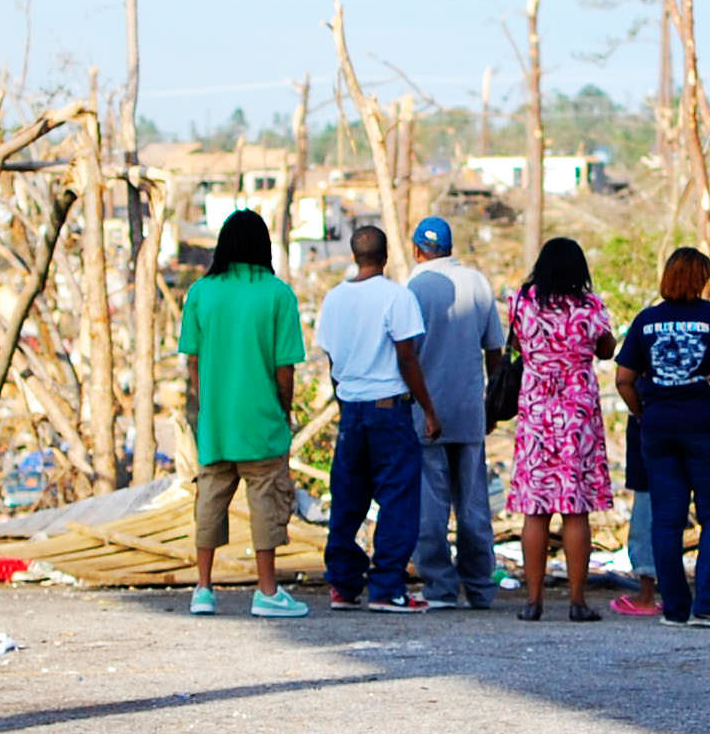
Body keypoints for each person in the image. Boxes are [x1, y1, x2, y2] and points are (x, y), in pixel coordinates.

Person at [615, 247, 710, 628]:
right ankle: (707, 605)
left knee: (666, 520)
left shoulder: (646, 321)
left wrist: (641, 411)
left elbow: (623, 378)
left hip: (659, 426)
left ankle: (674, 608)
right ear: (701, 279)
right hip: (705, 425)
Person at [178, 209, 309, 618]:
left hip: (216, 424)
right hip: (261, 421)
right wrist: (284, 408)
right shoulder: (278, 294)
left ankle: (203, 588)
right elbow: (284, 368)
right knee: (267, 504)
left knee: (209, 503)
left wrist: (206, 404)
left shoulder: (201, 293)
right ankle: (267, 592)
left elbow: (193, 363)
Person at [316, 225, 443, 613]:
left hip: (351, 408)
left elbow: (333, 360)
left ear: (354, 256)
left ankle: (343, 584)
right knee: (398, 497)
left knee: (348, 498)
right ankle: (387, 587)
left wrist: (346, 397)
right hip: (389, 407)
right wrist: (429, 409)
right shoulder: (396, 297)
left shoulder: (334, 299)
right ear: (386, 256)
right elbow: (407, 357)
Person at [506, 237, 616, 622]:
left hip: (536, 412)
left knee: (535, 511)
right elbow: (607, 349)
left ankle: (533, 601)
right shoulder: (589, 307)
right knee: (575, 510)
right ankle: (577, 601)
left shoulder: (522, 301)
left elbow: (519, 341)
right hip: (577, 415)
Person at [405, 216, 505, 610]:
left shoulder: (413, 288)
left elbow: (405, 354)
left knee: (430, 504)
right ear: (450, 247)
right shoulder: (477, 283)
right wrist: (492, 405)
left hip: (425, 409)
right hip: (469, 409)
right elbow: (495, 351)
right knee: (473, 503)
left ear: (417, 249)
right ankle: (480, 585)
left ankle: (439, 587)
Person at [609, 421, 659, 616]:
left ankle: (647, 594)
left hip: (651, 418)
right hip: (701, 416)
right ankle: (706, 598)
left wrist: (639, 414)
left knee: (647, 503)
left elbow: (625, 388)